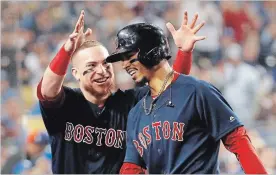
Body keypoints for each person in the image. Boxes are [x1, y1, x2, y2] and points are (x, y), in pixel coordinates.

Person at [36, 10, 205, 173]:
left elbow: (171, 89)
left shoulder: (131, 102)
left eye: (106, 64)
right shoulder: (67, 103)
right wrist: (67, 51)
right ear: (76, 73)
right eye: (92, 66)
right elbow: (46, 90)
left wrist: (184, 52)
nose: (102, 71)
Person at [106, 19, 268, 174]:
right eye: (122, 60)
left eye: (129, 57)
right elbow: (131, 168)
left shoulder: (199, 92)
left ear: (152, 52)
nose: (124, 65)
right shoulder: (136, 113)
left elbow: (238, 141)